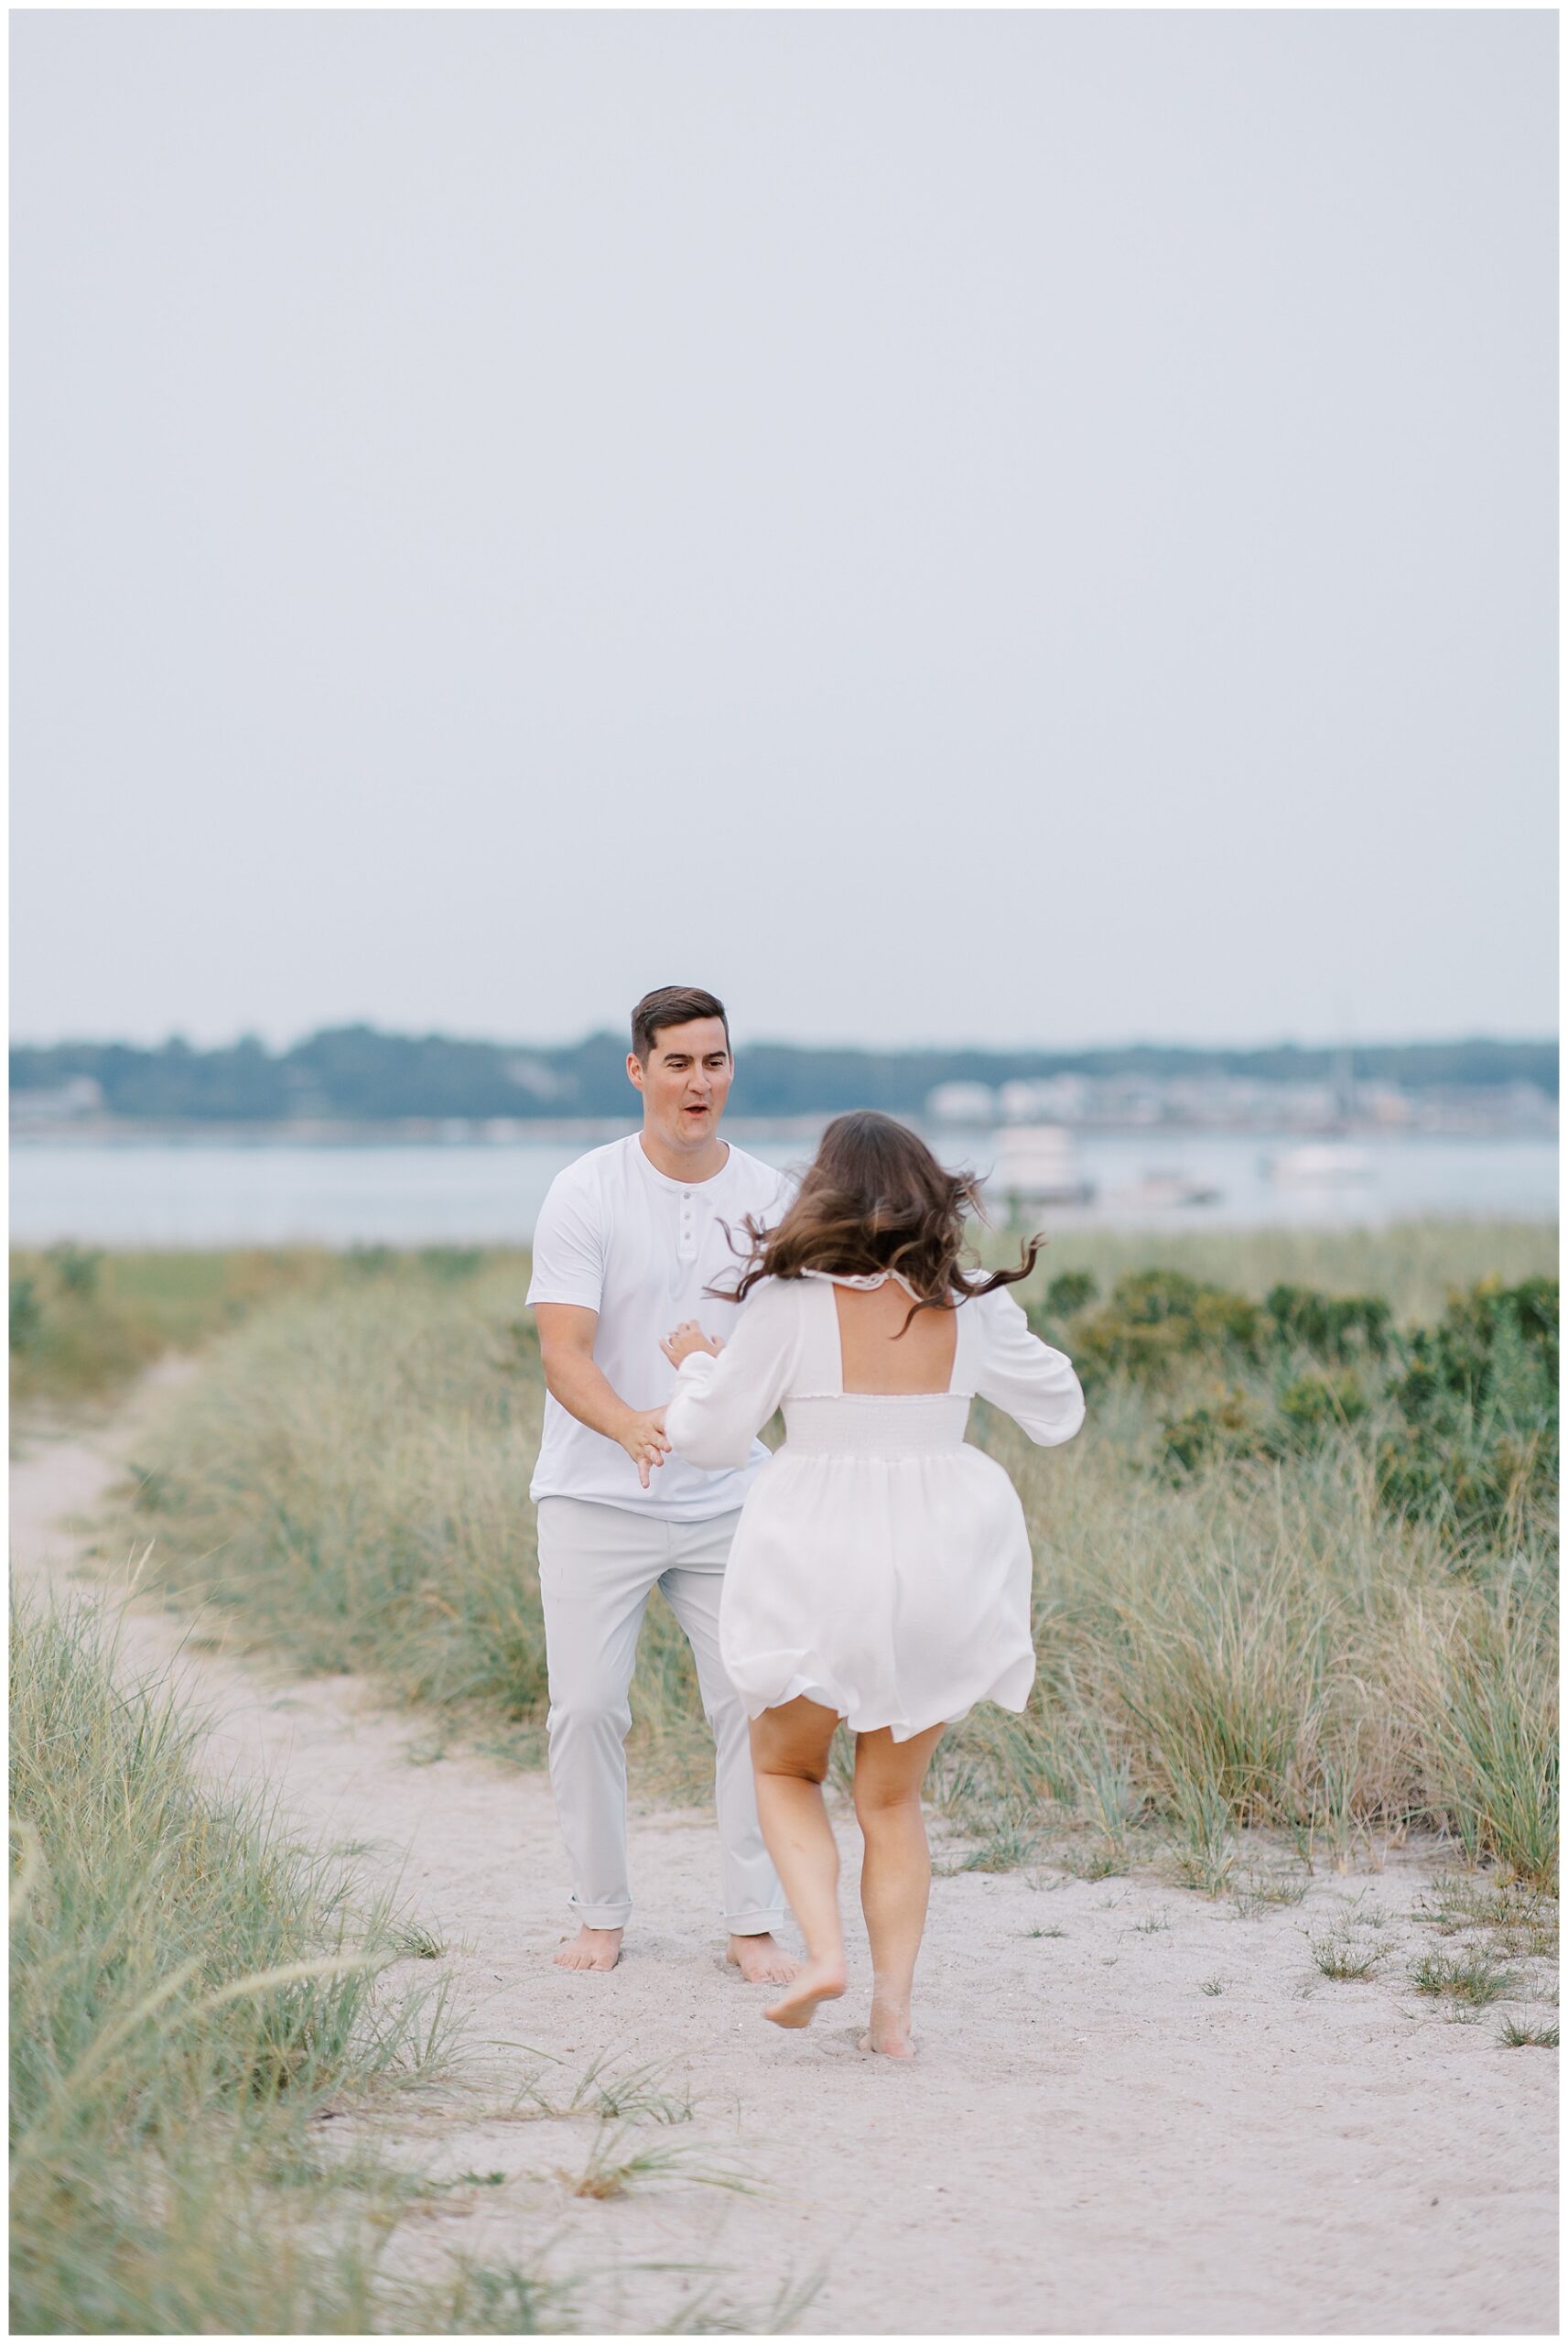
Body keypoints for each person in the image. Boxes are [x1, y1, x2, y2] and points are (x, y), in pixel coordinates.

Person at [660, 1110, 1085, 2056]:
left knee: (784, 1766)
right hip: (941, 1556)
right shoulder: (971, 1302)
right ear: (933, 1192)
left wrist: (696, 1361)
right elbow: (1058, 1411)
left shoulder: (789, 1303)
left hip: (815, 1550)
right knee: (890, 1800)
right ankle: (891, 2016)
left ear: (825, 1193)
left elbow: (707, 1438)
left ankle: (821, 1955)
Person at [526, 985, 797, 1982]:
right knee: (589, 1707)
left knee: (751, 1700)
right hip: (593, 1494)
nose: (699, 1082)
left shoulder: (772, 1197)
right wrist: (631, 1425)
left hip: (730, 1498)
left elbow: (790, 1349)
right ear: (637, 1070)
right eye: (678, 1062)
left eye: (715, 1061)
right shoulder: (584, 1191)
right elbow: (564, 1351)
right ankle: (600, 1915)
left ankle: (752, 1921)